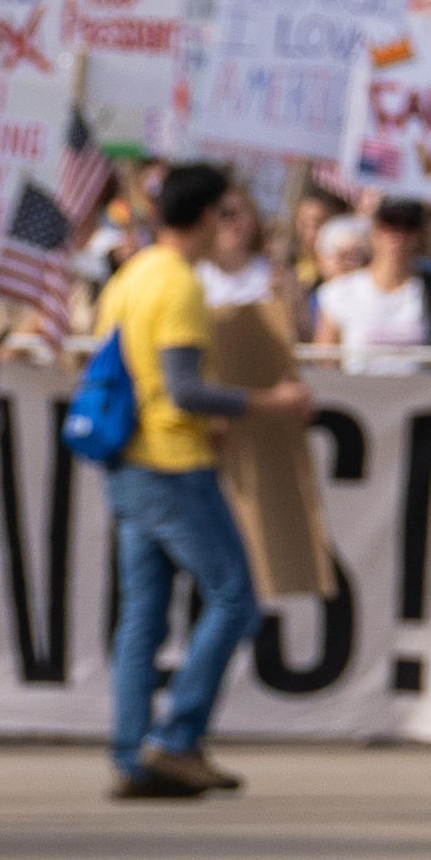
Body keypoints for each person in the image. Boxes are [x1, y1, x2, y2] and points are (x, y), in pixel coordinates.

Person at [99, 158, 297, 799]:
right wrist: (271, 404)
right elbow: (183, 391)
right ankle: (176, 739)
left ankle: (134, 752)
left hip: (131, 461)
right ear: (210, 216)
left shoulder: (132, 275)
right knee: (235, 597)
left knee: (142, 618)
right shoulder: (179, 284)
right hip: (172, 464)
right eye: (231, 212)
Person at [317, 204, 431, 354]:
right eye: (389, 224)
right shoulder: (338, 292)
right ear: (374, 231)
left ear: (420, 236)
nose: (398, 235)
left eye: (409, 227)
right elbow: (324, 363)